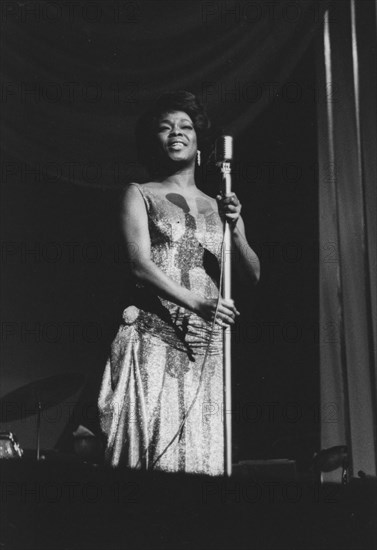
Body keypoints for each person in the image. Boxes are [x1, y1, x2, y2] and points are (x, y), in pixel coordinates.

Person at [98, 90, 260, 476]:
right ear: (153, 141)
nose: (176, 132)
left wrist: (235, 228)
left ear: (200, 144)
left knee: (203, 450)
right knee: (157, 448)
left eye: (185, 126)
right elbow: (139, 264)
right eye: (165, 127)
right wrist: (196, 302)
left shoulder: (220, 204)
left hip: (207, 344)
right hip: (156, 334)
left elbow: (252, 274)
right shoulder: (139, 193)